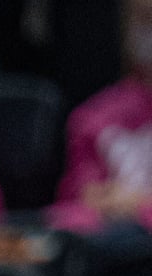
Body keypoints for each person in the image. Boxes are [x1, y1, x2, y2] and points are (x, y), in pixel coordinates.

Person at [50, 0, 152, 243]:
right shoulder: (93, 117)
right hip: (119, 260)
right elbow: (78, 205)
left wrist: (137, 204)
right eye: (146, 20)